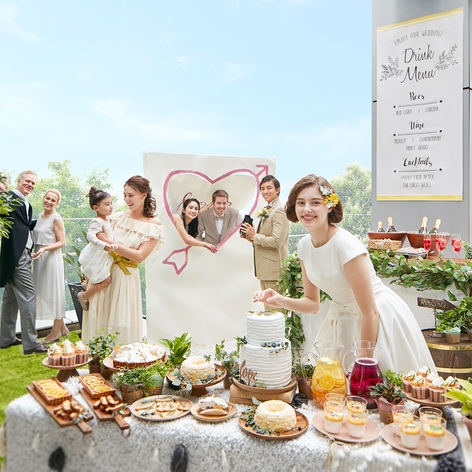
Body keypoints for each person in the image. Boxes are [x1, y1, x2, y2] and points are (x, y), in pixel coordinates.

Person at [253, 174, 436, 374]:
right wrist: (280, 300)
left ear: (329, 206)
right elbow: (312, 303)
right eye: (301, 203)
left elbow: (370, 312)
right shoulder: (305, 245)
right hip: (343, 320)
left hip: (377, 318)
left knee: (378, 386)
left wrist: (364, 363)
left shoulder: (345, 245)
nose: (307, 209)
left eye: (315, 202)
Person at [82, 175, 165, 344]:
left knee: (121, 326)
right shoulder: (116, 218)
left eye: (131, 195)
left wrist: (112, 244)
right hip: (103, 273)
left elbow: (140, 256)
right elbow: (96, 244)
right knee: (98, 322)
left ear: (143, 195)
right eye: (125, 195)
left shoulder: (153, 225)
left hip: (125, 279)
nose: (126, 199)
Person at [0, 170, 48, 354]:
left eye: (33, 183)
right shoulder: (9, 198)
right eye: (27, 181)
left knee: (10, 297)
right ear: (18, 181)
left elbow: (23, 225)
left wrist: (44, 221)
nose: (30, 185)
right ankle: (32, 343)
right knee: (28, 295)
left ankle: (5, 337)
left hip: (19, 252)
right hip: (17, 253)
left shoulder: (25, 202)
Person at [241, 175, 289, 293]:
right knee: (268, 304)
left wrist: (255, 236)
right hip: (266, 271)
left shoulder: (279, 210)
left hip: (274, 271)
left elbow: (277, 241)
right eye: (262, 189)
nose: (265, 191)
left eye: (269, 188)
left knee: (274, 304)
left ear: (278, 190)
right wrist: (251, 238)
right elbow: (266, 237)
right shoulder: (269, 209)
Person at [31, 189, 68, 343]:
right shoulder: (40, 216)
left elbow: (61, 242)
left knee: (54, 294)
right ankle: (63, 328)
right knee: (42, 292)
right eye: (48, 198)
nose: (49, 202)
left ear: (57, 203)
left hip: (51, 258)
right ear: (43, 198)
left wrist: (45, 249)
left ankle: (55, 332)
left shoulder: (56, 218)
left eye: (53, 200)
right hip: (39, 258)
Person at [77, 187, 117, 310]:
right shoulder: (97, 221)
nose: (111, 207)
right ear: (96, 208)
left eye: (111, 203)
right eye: (107, 204)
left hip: (105, 255)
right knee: (106, 280)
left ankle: (87, 286)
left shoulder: (109, 220)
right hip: (97, 255)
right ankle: (84, 295)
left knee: (103, 278)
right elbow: (91, 237)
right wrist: (103, 245)